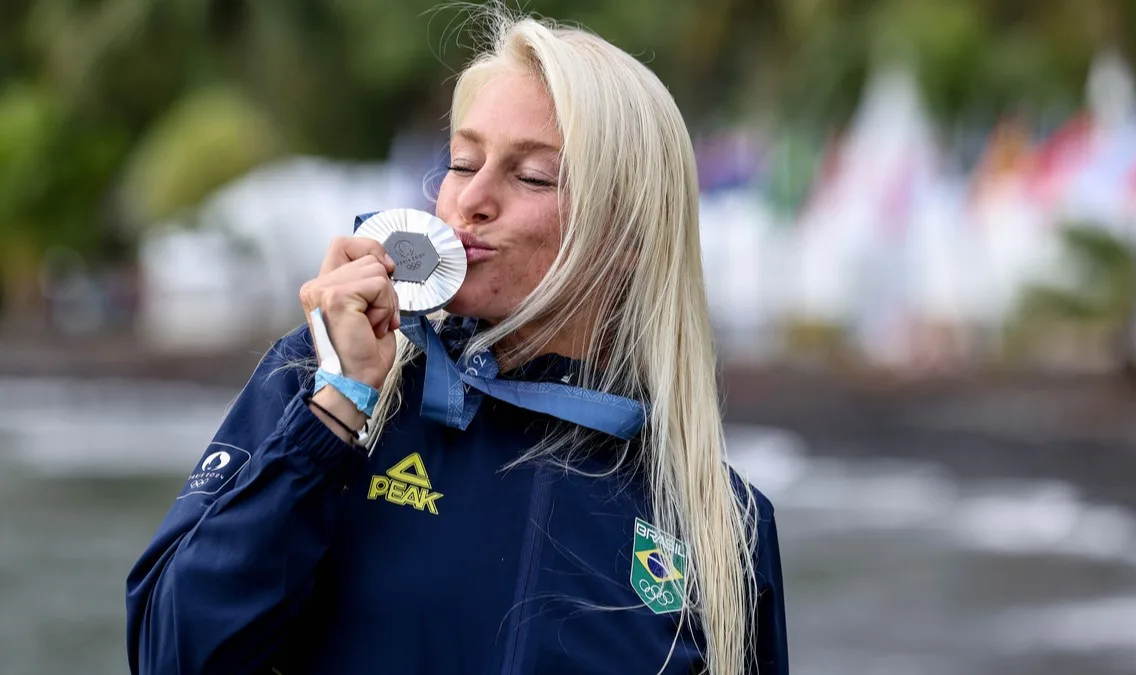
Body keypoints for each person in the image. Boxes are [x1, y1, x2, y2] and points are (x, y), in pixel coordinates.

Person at [126, 9, 788, 675]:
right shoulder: (321, 384)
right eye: (462, 161)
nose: (469, 198)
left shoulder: (719, 524)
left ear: (629, 239)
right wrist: (336, 409)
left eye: (530, 175)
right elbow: (171, 654)